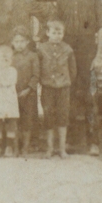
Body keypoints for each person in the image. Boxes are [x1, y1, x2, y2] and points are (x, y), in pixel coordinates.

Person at [55, 0, 102, 156]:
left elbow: (101, 28)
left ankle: (93, 142)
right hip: (67, 51)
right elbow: (56, 28)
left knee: (90, 95)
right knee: (67, 94)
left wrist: (99, 56)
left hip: (88, 51)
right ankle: (69, 141)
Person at [38, 20, 77, 159]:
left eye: (59, 32)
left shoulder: (67, 49)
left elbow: (73, 70)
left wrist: (66, 82)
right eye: (54, 32)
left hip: (63, 88)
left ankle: (62, 149)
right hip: (48, 87)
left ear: (63, 33)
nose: (57, 35)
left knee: (63, 116)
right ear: (47, 33)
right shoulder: (41, 48)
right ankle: (49, 148)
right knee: (49, 116)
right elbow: (38, 67)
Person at [11, 26, 40, 155]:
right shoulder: (11, 57)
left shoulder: (33, 56)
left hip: (29, 93)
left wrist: (28, 89)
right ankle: (16, 146)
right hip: (13, 93)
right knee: (15, 119)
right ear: (12, 43)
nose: (19, 44)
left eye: (22, 41)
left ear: (27, 42)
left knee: (27, 120)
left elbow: (36, 75)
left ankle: (26, 146)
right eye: (16, 41)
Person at [0, 45, 20, 157]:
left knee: (10, 125)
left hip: (9, 103)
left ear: (11, 60)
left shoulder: (12, 71)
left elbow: (9, 82)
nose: (5, 61)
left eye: (7, 59)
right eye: (2, 58)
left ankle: (9, 147)